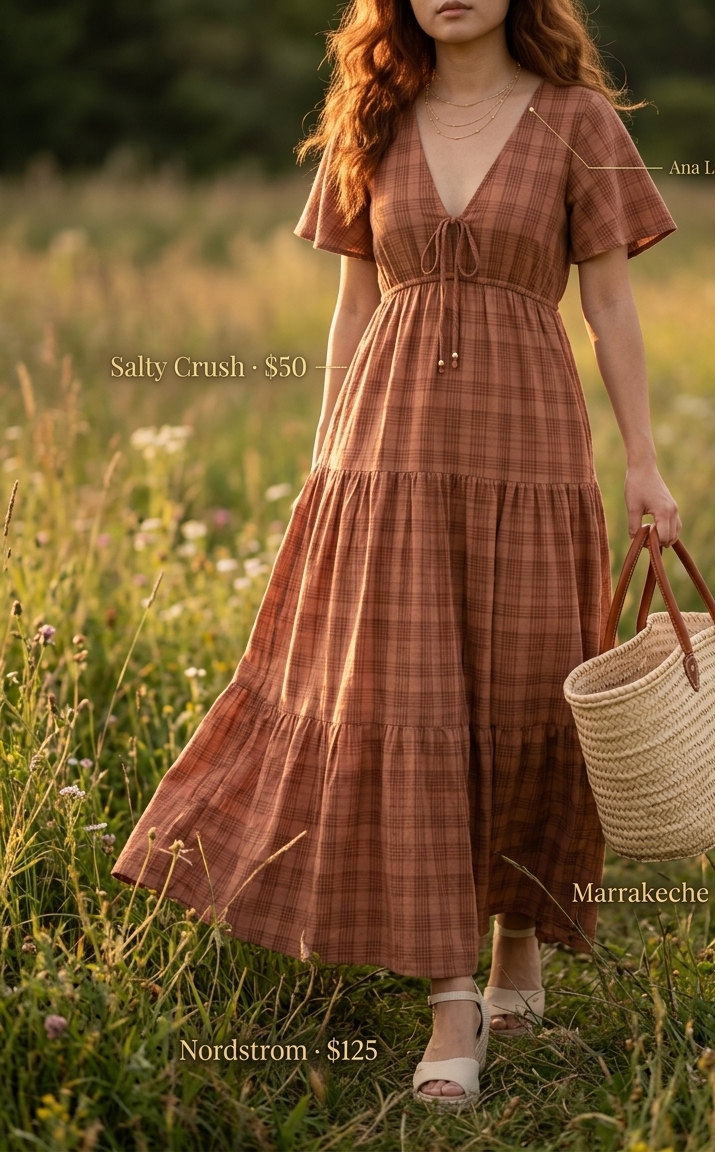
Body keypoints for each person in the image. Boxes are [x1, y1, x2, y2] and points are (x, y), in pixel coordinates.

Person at [112, 0, 681, 1111]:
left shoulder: (576, 121)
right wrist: (327, 457)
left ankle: (522, 934)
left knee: (528, 690)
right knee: (407, 698)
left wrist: (646, 467)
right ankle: (451, 999)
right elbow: (353, 304)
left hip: (530, 446)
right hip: (389, 451)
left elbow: (610, 305)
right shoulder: (369, 117)